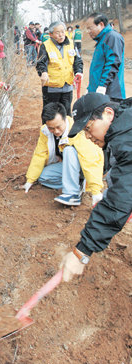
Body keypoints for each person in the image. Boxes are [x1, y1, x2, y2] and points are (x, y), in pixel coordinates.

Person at [61, 93, 132, 281]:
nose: (87, 136)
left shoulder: (126, 139)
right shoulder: (124, 126)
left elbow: (119, 202)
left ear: (108, 113)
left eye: (88, 128)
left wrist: (82, 251)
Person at [22, 102, 104, 206]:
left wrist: (96, 191)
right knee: (43, 176)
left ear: (65, 119)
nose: (55, 131)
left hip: (84, 167)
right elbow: (40, 155)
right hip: (70, 168)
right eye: (51, 128)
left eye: (58, 126)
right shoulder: (45, 132)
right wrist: (30, 180)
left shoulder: (77, 131)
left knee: (68, 150)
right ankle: (76, 184)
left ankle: (72, 194)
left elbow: (90, 160)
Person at [36, 21, 83, 116]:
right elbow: (40, 63)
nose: (61, 35)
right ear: (51, 34)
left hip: (67, 86)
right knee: (50, 114)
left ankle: (66, 131)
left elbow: (77, 60)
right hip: (51, 88)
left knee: (66, 114)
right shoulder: (45, 46)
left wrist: (79, 71)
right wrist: (43, 72)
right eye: (57, 33)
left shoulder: (71, 43)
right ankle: (48, 131)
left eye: (63, 31)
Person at [86, 13, 125, 101]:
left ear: (101, 24)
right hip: (100, 92)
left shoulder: (112, 37)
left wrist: (103, 85)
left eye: (90, 28)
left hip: (110, 93)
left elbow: (113, 63)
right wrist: (91, 88)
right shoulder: (102, 39)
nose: (88, 31)